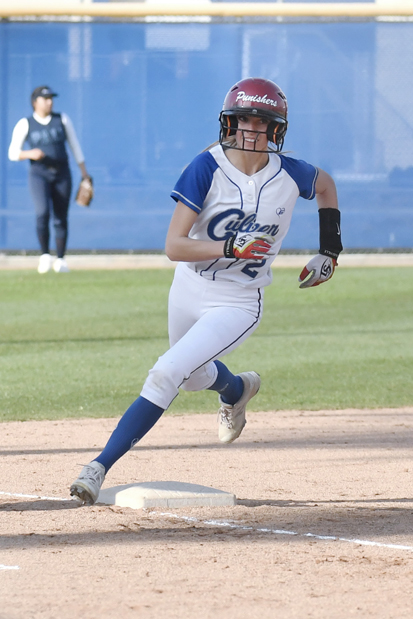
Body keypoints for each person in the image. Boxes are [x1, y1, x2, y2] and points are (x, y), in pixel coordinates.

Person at [70, 77, 343, 505]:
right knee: (193, 376)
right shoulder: (206, 167)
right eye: (242, 120)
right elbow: (173, 246)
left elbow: (326, 187)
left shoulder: (291, 173)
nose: (250, 130)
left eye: (261, 121)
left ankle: (97, 467)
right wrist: (230, 245)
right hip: (189, 285)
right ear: (228, 124)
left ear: (277, 129)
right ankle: (236, 390)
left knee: (166, 372)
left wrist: (330, 250)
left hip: (238, 299)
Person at [8, 85, 90, 273]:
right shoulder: (26, 123)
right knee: (42, 212)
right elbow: (12, 153)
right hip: (39, 173)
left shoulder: (61, 119)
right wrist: (29, 153)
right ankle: (45, 255)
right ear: (35, 102)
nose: (50, 101)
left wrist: (85, 174)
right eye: (45, 98)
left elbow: (75, 146)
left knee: (61, 217)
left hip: (62, 173)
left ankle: (60, 259)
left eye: (51, 98)